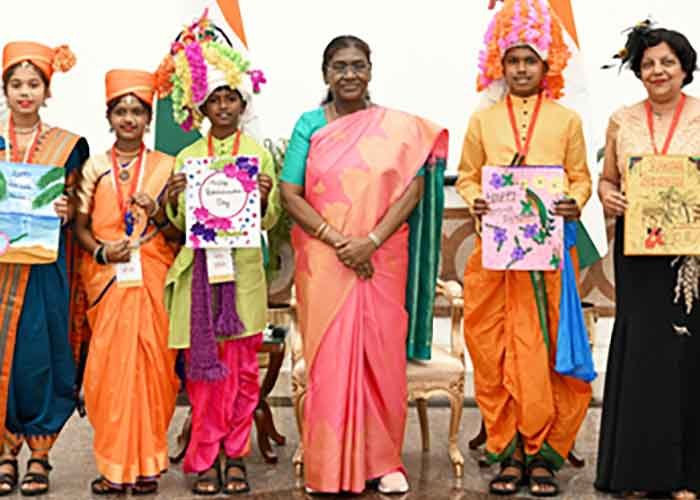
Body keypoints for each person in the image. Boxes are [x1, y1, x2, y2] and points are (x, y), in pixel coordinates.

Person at [280, 35, 447, 495]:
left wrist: (370, 242)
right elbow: (290, 194)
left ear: (370, 70)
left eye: (358, 65)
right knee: (330, 361)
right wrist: (339, 241)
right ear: (325, 74)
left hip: (382, 256)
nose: (349, 74)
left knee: (382, 357)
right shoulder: (309, 125)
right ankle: (329, 466)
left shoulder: (397, 128)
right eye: (340, 66)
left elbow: (412, 189)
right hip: (325, 260)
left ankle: (383, 461)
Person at [456, 0, 593, 496]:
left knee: (546, 352)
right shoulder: (483, 120)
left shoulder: (567, 120)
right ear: (499, 62)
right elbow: (467, 177)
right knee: (494, 353)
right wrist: (476, 200)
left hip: (549, 260)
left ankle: (542, 456)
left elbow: (581, 177)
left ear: (546, 64)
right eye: (512, 60)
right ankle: (508, 451)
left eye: (529, 60)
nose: (520, 69)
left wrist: (575, 201)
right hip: (496, 261)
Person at [156, 12, 278, 496]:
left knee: (244, 374)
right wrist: (172, 196)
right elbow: (181, 223)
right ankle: (205, 458)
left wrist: (263, 199)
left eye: (231, 97)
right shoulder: (187, 157)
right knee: (205, 377)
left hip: (244, 276)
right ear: (201, 104)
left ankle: (236, 454)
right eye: (215, 99)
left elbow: (268, 222)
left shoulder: (257, 155)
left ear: (242, 102)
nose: (223, 106)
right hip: (201, 279)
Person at [595, 24, 700, 500]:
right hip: (638, 251)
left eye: (667, 62)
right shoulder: (621, 120)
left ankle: (686, 475)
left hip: (690, 255)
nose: (658, 71)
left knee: (687, 354)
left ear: (684, 68)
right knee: (642, 352)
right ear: (638, 71)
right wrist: (608, 196)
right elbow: (607, 179)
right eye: (648, 64)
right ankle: (635, 472)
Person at [73, 69, 180, 495]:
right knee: (107, 374)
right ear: (109, 117)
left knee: (155, 371)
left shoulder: (167, 167)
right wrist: (103, 252)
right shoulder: (94, 168)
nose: (129, 119)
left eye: (137, 111)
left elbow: (177, 232)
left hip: (152, 276)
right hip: (107, 280)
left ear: (149, 118)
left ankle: (148, 465)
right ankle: (114, 469)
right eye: (121, 111)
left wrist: (156, 211)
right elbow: (80, 226)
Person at [0, 41, 89, 496]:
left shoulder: (67, 147)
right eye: (16, 84)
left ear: (46, 90)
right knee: (3, 358)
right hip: (1, 271)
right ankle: (4, 452)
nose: (24, 92)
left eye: (33, 84)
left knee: (39, 356)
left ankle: (39, 453)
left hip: (44, 268)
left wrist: (68, 210)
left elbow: (81, 206)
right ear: (5, 90)